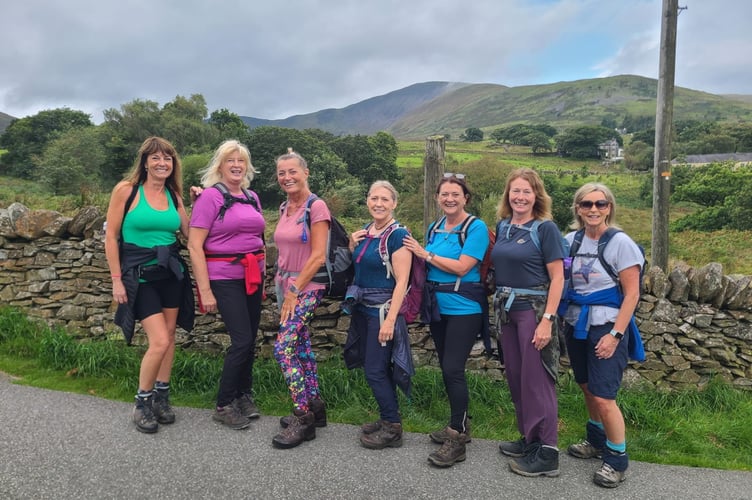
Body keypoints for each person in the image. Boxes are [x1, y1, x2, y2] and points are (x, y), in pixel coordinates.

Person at [104, 136, 194, 434]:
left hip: (170, 275)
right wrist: (117, 280)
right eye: (155, 158)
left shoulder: (174, 195)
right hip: (139, 277)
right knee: (158, 340)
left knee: (170, 336)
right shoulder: (126, 191)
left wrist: (205, 200)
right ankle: (142, 402)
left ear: (173, 164)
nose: (161, 163)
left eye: (167, 158)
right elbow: (111, 237)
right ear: (144, 162)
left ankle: (161, 397)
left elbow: (191, 233)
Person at [559, 182, 644, 488]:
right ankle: (596, 441)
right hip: (576, 324)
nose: (593, 209)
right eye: (586, 204)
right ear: (577, 209)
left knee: (605, 396)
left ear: (610, 207)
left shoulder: (621, 244)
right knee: (586, 386)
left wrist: (616, 335)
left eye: (600, 204)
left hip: (607, 325)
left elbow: (632, 294)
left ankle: (617, 460)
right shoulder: (570, 240)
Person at [403, 173, 489, 468]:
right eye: (444, 195)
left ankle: (458, 435)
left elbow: (463, 267)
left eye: (456, 194)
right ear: (438, 198)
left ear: (466, 198)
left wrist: (424, 254)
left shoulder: (475, 227)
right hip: (437, 307)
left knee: (453, 368)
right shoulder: (435, 226)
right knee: (446, 366)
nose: (449, 199)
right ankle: (459, 421)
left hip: (465, 307)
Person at [490, 168, 564, 477]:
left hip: (533, 311)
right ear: (508, 195)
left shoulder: (545, 229)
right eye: (515, 191)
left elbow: (558, 277)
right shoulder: (503, 226)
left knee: (537, 381)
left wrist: (547, 320)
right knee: (518, 378)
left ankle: (547, 452)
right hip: (506, 312)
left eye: (526, 192)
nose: (520, 197)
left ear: (537, 196)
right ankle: (529, 440)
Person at [188, 140, 265, 430]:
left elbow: (258, 238)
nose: (236, 165)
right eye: (230, 160)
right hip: (224, 277)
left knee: (251, 338)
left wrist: (263, 274)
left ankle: (243, 395)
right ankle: (223, 404)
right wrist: (204, 290)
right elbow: (195, 245)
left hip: (252, 276)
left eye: (241, 161)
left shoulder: (252, 197)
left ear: (247, 166)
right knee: (242, 339)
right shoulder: (210, 197)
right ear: (219, 166)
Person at [344, 181, 413, 450]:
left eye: (385, 199)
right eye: (374, 198)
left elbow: (402, 282)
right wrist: (351, 244)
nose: (378, 204)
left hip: (381, 312)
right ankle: (387, 418)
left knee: (375, 370)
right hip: (362, 310)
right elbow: (361, 266)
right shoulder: (366, 231)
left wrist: (391, 320)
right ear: (367, 201)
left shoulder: (398, 235)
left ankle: (393, 427)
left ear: (394, 203)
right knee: (377, 367)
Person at [271, 150, 328, 449]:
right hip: (286, 285)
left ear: (306, 173)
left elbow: (318, 255)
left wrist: (294, 291)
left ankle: (302, 415)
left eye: (292, 171)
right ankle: (316, 407)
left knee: (283, 348)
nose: (287, 177)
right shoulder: (284, 207)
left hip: (307, 287)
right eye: (281, 173)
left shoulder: (316, 207)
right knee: (301, 346)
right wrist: (284, 288)